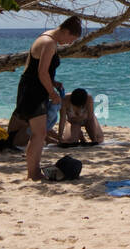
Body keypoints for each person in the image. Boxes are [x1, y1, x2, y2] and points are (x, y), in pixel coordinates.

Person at [12, 16, 82, 180]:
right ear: (65, 31)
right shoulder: (49, 42)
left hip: (35, 87)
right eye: (70, 39)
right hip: (33, 91)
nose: (69, 43)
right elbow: (41, 72)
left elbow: (35, 69)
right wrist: (52, 93)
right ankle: (33, 172)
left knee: (40, 133)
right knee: (39, 133)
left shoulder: (46, 38)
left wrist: (53, 83)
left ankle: (33, 171)